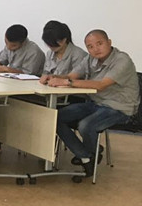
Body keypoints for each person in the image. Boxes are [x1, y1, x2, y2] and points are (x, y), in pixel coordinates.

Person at [42, 29, 139, 177]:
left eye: (99, 43)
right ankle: (86, 156)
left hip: (119, 107)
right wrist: (52, 77)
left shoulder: (122, 60)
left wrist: (67, 82)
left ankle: (88, 156)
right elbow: (71, 76)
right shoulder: (89, 59)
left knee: (85, 125)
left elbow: (101, 85)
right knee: (55, 117)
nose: (95, 49)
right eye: (90, 46)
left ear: (109, 42)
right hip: (96, 104)